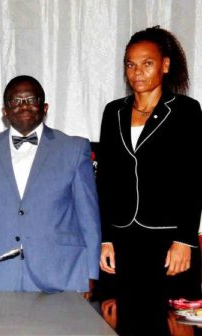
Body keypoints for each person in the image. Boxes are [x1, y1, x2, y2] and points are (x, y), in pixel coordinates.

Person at [97, 26, 202, 335]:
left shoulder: (186, 111)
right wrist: (106, 238)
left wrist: (185, 239)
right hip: (123, 243)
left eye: (147, 63)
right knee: (122, 326)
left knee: (171, 328)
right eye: (130, 64)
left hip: (169, 243)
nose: (137, 71)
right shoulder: (113, 112)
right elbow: (106, 181)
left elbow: (194, 179)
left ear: (165, 65)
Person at [0, 75, 101, 294]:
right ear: (4, 111)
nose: (24, 105)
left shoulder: (74, 149)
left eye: (31, 99)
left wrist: (91, 272)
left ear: (44, 107)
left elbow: (88, 217)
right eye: (15, 101)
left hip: (61, 273)